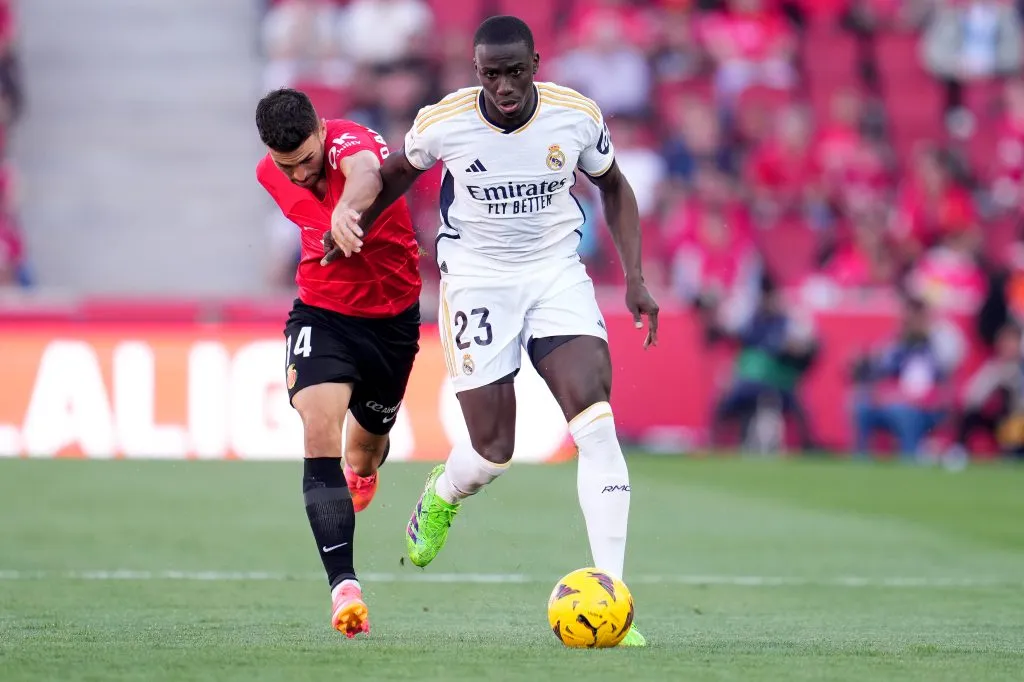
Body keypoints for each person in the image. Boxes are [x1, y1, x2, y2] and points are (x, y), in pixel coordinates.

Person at [325, 15, 658, 648]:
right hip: (477, 280)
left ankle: (614, 602)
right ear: (476, 71)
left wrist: (635, 278)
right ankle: (445, 491)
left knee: (596, 423)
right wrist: (351, 223)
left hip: (555, 272)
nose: (503, 86)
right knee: (492, 451)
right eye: (490, 74)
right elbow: (396, 174)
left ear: (535, 65)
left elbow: (614, 187)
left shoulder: (574, 115)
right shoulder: (444, 121)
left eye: (514, 72)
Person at [255, 88, 422, 638]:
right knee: (318, 428)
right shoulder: (270, 173)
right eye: (287, 166)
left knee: (365, 451)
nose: (300, 174)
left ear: (321, 132)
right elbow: (300, 194)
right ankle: (344, 588)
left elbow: (368, 172)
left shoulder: (349, 140)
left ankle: (362, 472)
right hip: (321, 314)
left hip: (392, 322)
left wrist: (348, 211)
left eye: (307, 160)